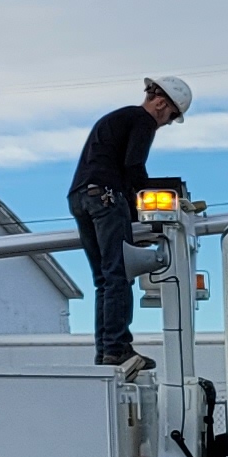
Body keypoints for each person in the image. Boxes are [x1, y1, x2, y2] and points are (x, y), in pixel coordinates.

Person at [67, 77, 192, 370]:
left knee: (104, 280)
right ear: (161, 103)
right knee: (119, 275)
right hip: (107, 198)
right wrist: (147, 211)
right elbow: (133, 167)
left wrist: (134, 220)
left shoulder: (117, 118)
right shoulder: (142, 121)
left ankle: (106, 352)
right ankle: (117, 348)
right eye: (171, 117)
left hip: (81, 197)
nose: (167, 123)